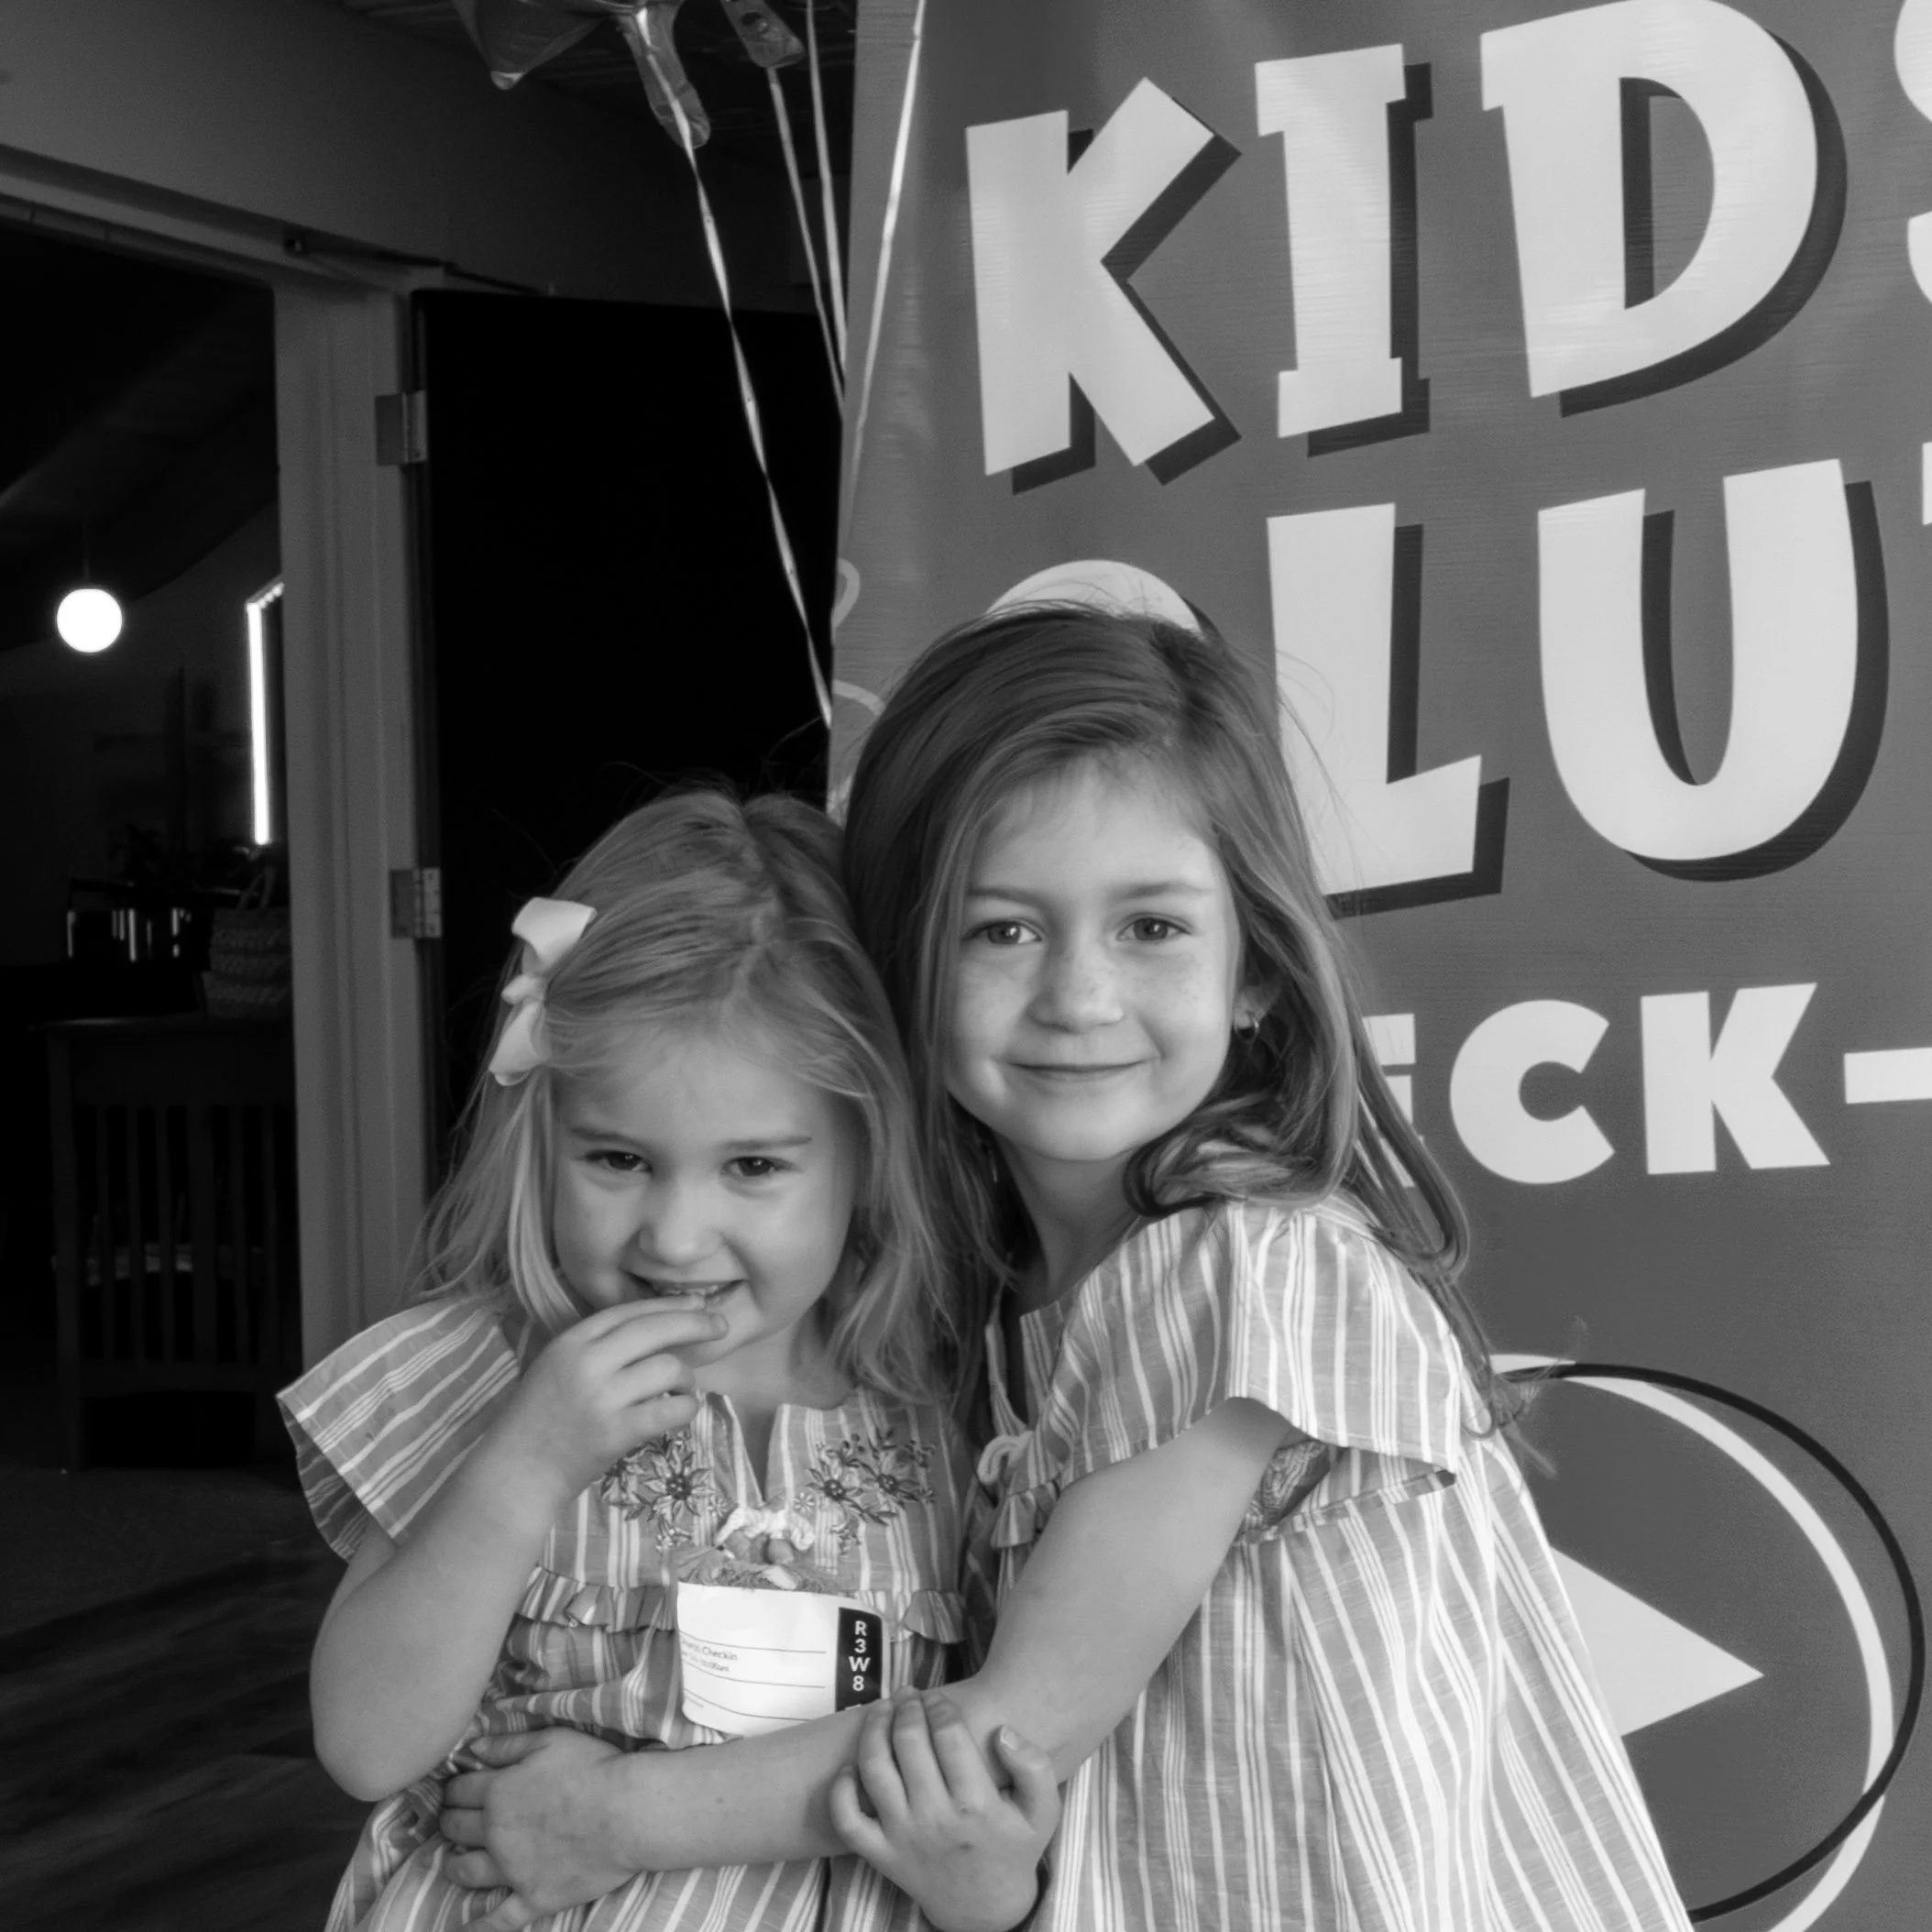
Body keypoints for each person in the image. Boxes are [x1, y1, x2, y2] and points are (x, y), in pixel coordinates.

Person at [441, 609, 1693, 1932]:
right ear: (899, 970)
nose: (1079, 998)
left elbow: (1009, 1731)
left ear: (1256, 971)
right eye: (1001, 931)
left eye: (1149, 926)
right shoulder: (994, 1311)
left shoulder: (1246, 1263)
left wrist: (613, 1815)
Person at [280, 790, 1059, 1932]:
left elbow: (991, 1766)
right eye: (617, 1158)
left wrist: (984, 1890)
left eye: (753, 1166)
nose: (677, 1238)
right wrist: (524, 1465)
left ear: (868, 1147)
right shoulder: (485, 1375)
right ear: (542, 1134)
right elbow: (363, 1742)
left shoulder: (958, 1410)